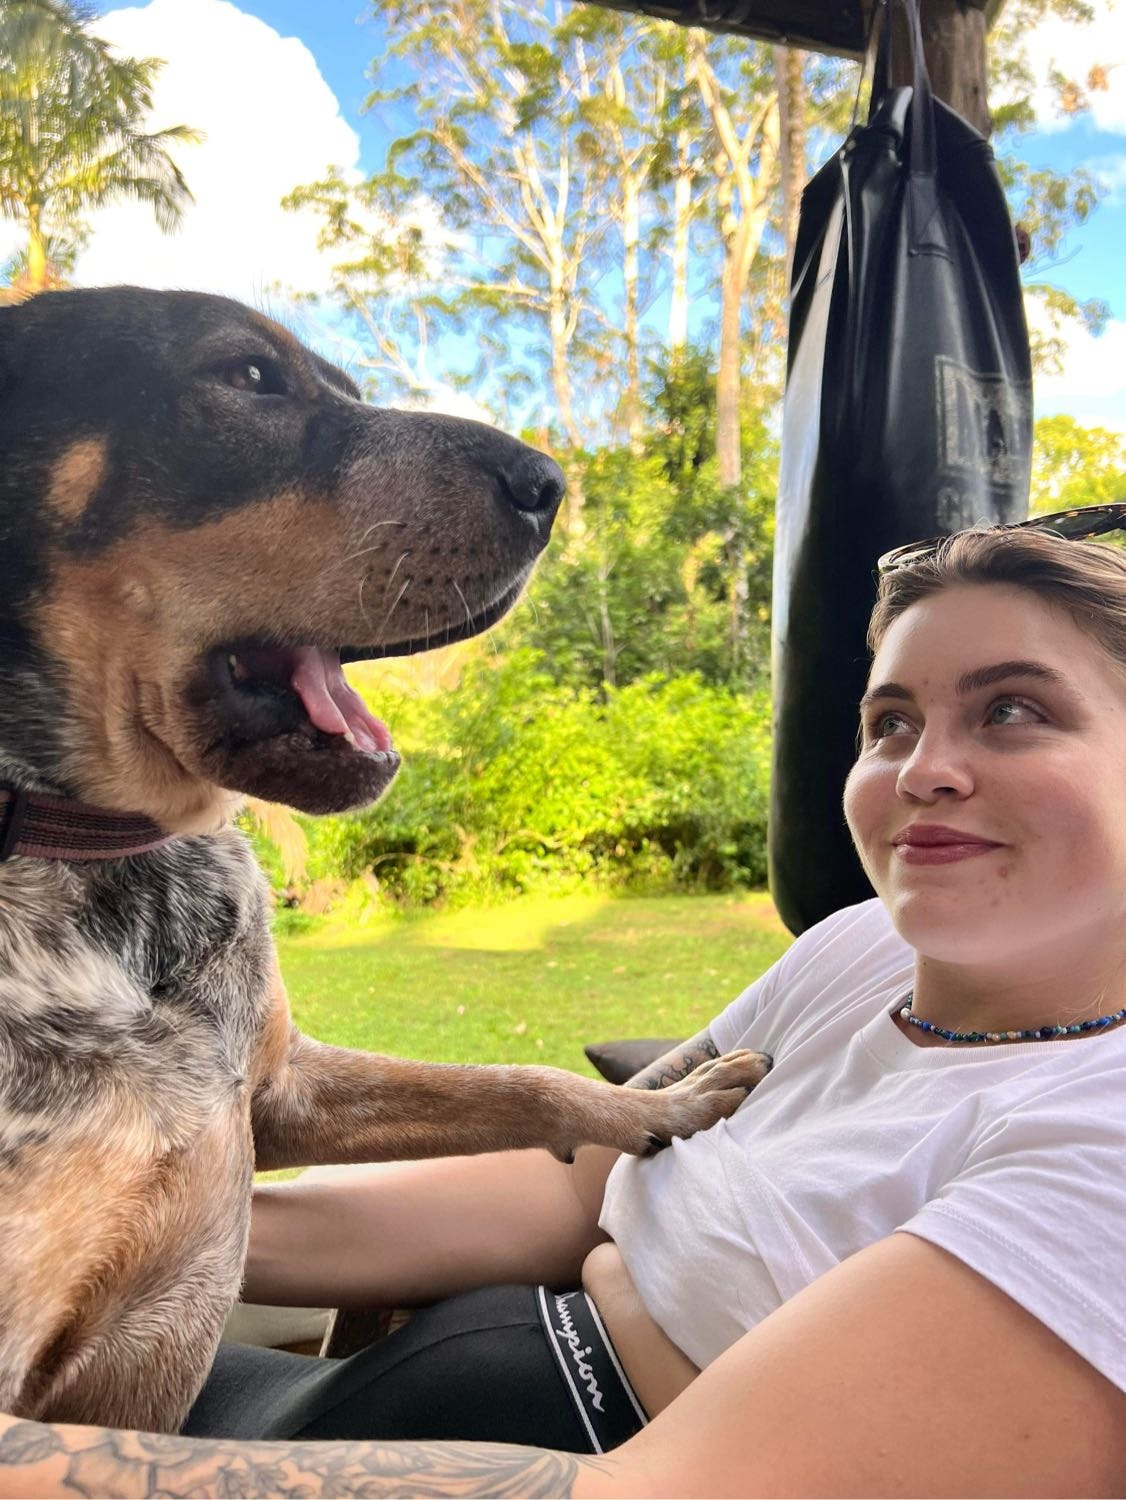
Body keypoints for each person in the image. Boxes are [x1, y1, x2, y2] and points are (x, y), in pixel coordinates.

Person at [6, 508, 1126, 1497]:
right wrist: (90, 1240)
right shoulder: (857, 952)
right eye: (890, 723)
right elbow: (574, 1190)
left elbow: (676, 1486)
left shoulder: (1101, 1141)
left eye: (1012, 711)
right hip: (399, 1386)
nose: (922, 770)